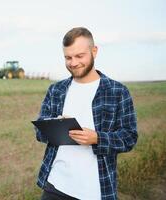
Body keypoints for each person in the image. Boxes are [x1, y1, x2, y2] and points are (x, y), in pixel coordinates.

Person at [34, 27, 138, 200]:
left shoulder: (117, 91)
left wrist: (97, 138)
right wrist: (55, 126)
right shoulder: (56, 90)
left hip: (96, 191)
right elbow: (39, 133)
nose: (73, 63)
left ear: (94, 51)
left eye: (79, 56)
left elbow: (129, 138)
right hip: (55, 186)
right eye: (68, 57)